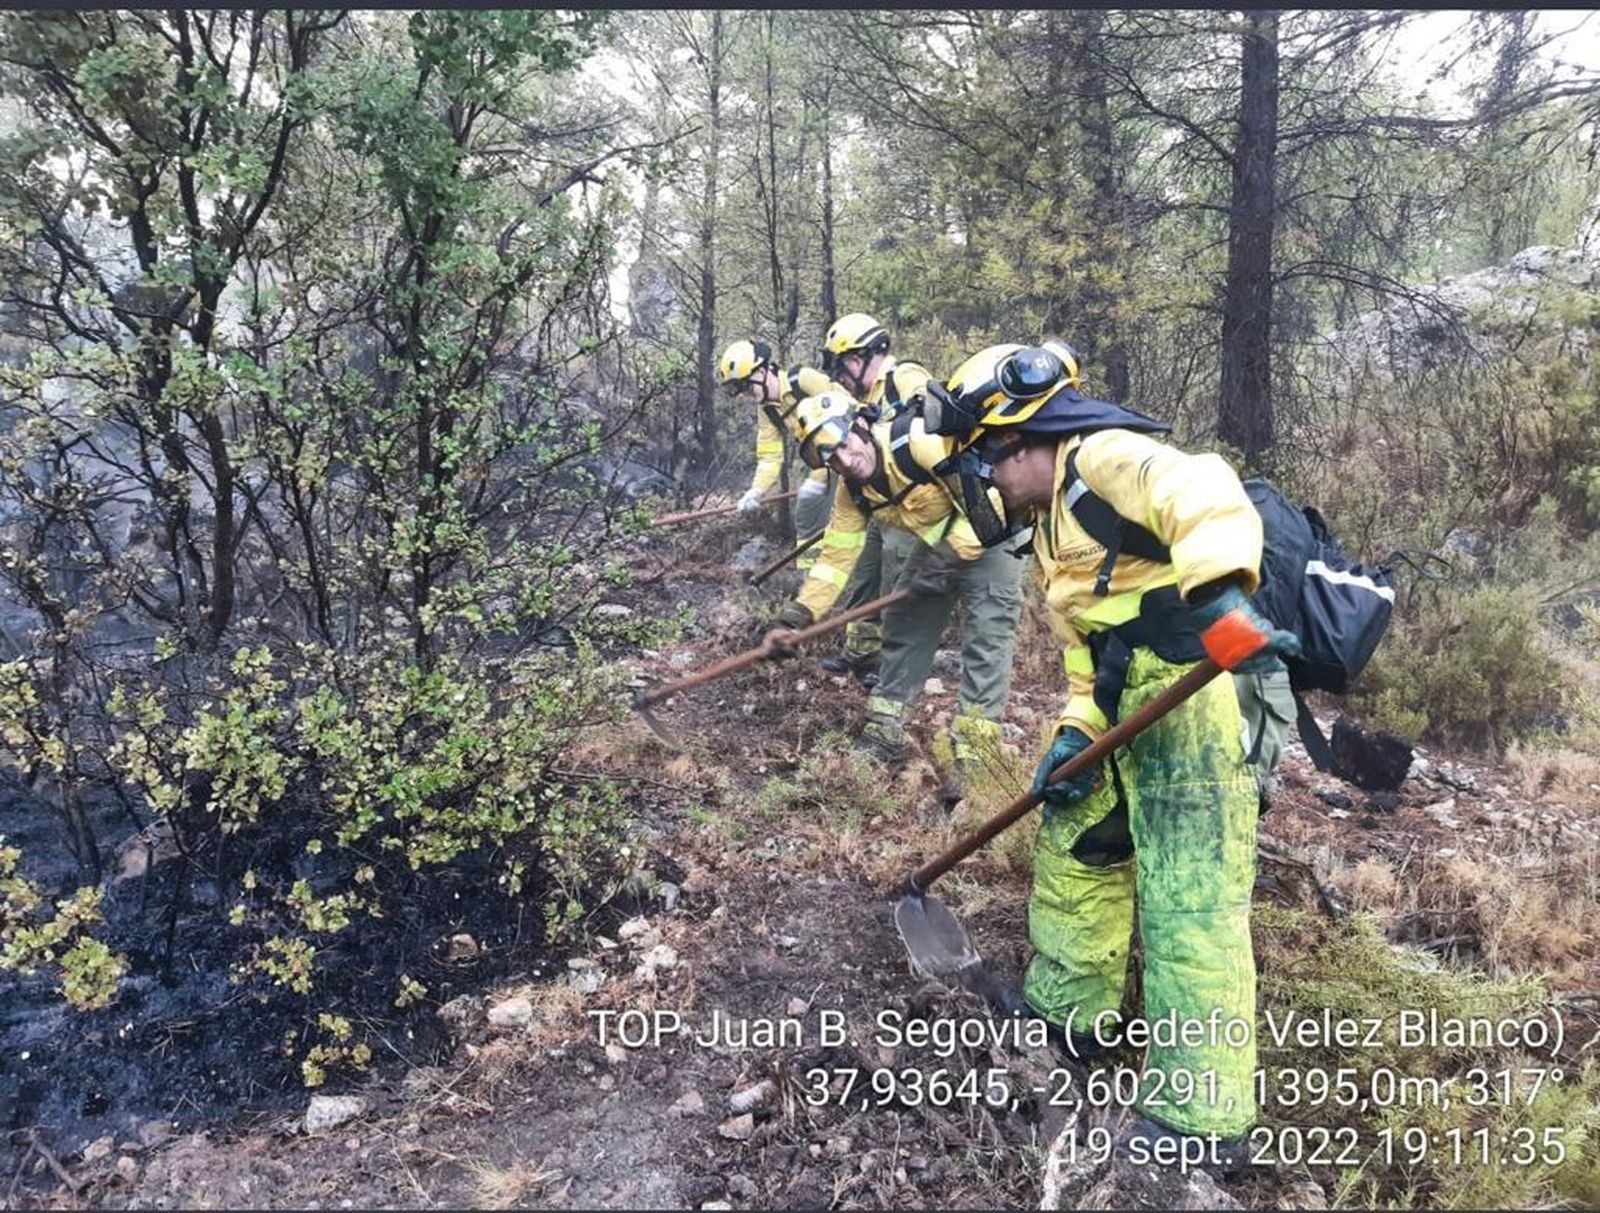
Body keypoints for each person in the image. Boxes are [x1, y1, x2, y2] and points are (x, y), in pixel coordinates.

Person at [931, 342, 1302, 1163]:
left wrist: (1221, 595)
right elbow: (1086, 646)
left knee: (1190, 900)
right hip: (1125, 694)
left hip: (1197, 697)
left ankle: (1203, 1120)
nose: (987, 483)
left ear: (1022, 440)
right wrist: (1076, 729)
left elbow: (1200, 486)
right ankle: (1069, 1015)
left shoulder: (1101, 455)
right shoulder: (1051, 518)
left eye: (988, 463)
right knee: (1077, 851)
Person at [761, 390, 1024, 794]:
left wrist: (947, 559)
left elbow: (989, 500)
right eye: (832, 459)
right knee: (903, 622)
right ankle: (886, 730)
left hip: (992, 535)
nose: (846, 461)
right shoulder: (854, 491)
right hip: (938, 548)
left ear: (860, 425)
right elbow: (835, 558)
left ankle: (974, 757)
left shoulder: (918, 443)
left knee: (988, 638)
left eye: (845, 445)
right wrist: (797, 615)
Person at [714, 339, 835, 574]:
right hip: (825, 465)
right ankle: (809, 573)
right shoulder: (768, 410)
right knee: (807, 512)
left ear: (762, 370)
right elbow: (770, 456)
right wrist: (756, 491)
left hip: (855, 454)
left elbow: (847, 407)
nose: (747, 395)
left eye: (748, 387)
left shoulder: (803, 381)